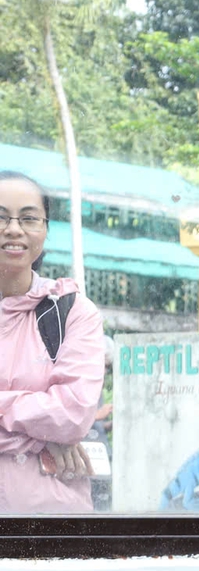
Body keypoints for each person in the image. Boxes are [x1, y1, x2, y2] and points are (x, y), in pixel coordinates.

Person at [0, 170, 105, 513]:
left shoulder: (73, 312)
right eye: (1, 217)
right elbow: (57, 422)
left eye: (28, 218)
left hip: (56, 527)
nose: (13, 229)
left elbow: (73, 416)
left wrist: (59, 429)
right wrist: (42, 437)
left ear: (45, 229)